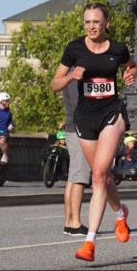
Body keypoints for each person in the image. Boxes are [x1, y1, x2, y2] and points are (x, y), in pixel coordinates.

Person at [51, 3, 135, 262]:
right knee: (104, 178)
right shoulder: (74, 48)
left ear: (106, 22)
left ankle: (89, 243)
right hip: (84, 118)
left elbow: (130, 65)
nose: (91, 26)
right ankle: (120, 214)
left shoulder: (118, 49)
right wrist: (71, 77)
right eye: (87, 22)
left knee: (98, 175)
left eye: (96, 21)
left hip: (112, 113)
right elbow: (55, 84)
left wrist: (129, 75)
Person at [60, 68, 90, 236]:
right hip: (79, 129)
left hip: (73, 128)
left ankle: (69, 222)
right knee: (79, 176)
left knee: (73, 176)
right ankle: (75, 223)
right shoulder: (76, 77)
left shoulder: (70, 75)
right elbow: (80, 105)